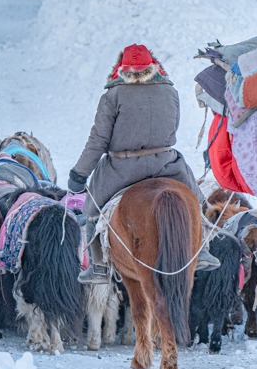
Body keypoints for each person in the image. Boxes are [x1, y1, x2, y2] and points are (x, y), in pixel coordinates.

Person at [67, 43, 219, 284]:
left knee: (91, 211)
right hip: (167, 164)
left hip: (122, 170)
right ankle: (202, 251)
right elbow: (172, 127)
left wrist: (78, 175)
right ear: (152, 67)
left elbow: (98, 140)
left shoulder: (113, 96)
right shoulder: (170, 91)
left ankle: (97, 267)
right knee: (197, 201)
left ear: (122, 70)